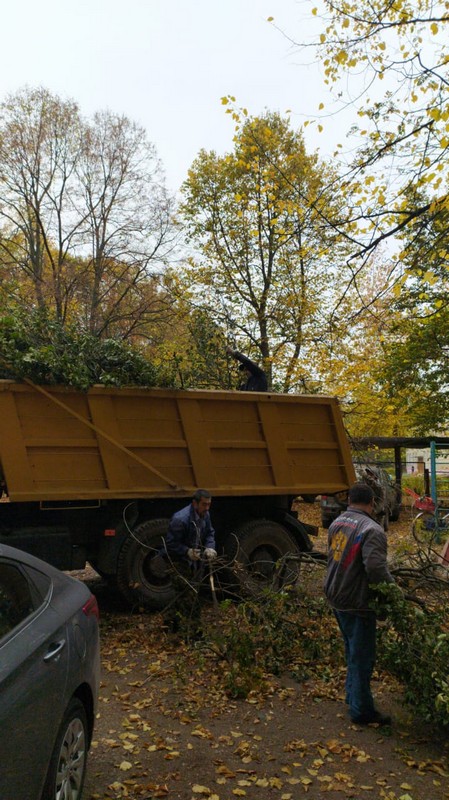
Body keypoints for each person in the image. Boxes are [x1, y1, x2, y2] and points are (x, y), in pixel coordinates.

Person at [324, 482, 395, 725]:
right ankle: (361, 710)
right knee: (362, 656)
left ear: (349, 501)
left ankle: (352, 697)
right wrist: (394, 594)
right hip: (356, 601)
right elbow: (375, 567)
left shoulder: (337, 522)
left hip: (336, 595)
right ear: (372, 503)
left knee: (352, 651)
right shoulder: (371, 530)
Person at [163, 489, 217, 637]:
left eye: (209, 504)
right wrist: (186, 551)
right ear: (195, 503)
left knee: (183, 594)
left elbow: (210, 533)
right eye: (204, 504)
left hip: (194, 561)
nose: (207, 508)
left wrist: (210, 548)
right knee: (190, 596)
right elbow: (170, 544)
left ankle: (168, 622)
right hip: (177, 561)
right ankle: (194, 633)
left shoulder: (206, 515)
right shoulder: (181, 519)